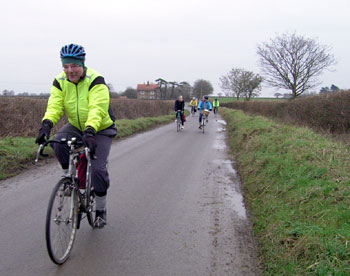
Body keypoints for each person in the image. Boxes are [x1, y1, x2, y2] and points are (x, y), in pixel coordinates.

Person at [35, 44, 117, 228]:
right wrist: (46, 125)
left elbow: (97, 107)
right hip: (76, 125)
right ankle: (70, 179)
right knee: (58, 142)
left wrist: (90, 130)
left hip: (100, 127)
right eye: (65, 66)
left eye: (74, 66)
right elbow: (55, 105)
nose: (69, 70)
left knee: (97, 169)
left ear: (82, 64)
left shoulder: (96, 80)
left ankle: (101, 210)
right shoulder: (60, 81)